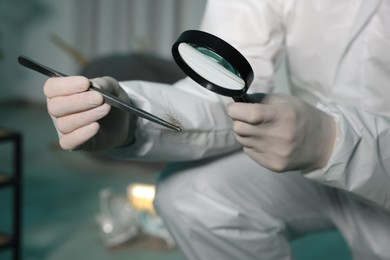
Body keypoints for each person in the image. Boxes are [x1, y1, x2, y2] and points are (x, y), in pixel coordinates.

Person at [43, 0, 390, 259]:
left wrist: (336, 143)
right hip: (319, 164)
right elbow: (219, 93)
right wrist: (133, 117)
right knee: (189, 194)